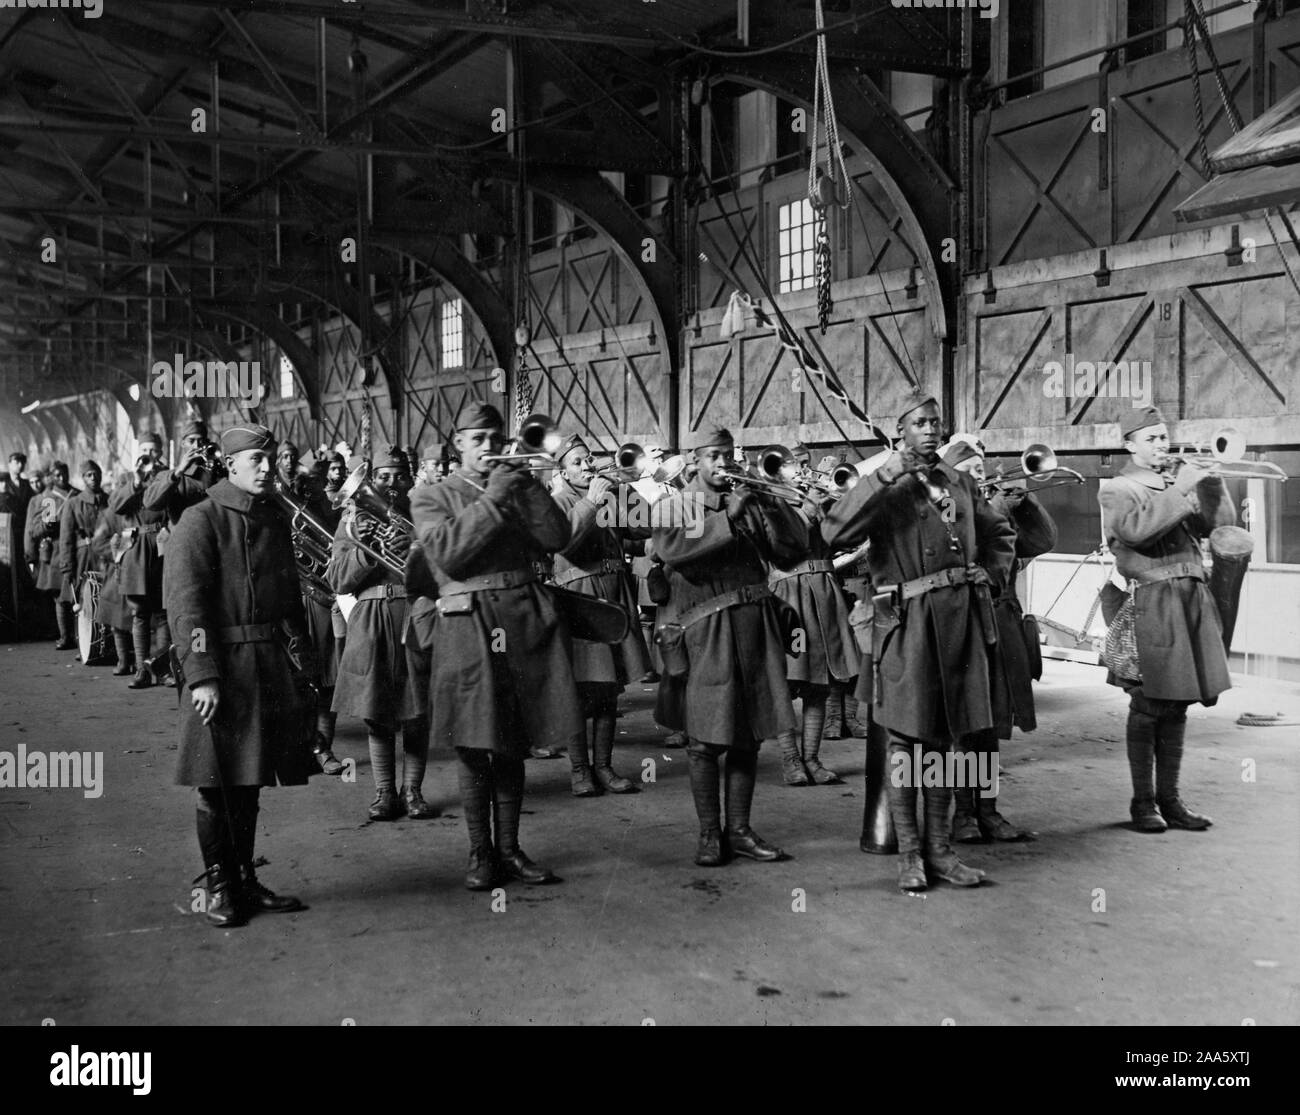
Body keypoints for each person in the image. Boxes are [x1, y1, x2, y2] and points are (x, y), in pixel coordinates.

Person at [823, 395, 1015, 892]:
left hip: (961, 625)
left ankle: (942, 853)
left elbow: (1000, 534)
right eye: (918, 423)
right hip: (907, 625)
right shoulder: (887, 487)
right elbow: (834, 530)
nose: (929, 430)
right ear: (901, 431)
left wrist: (990, 572)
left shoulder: (961, 482)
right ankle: (910, 855)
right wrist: (884, 476)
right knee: (906, 742)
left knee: (947, 743)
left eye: (935, 423)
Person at [409, 401, 582, 890]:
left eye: (494, 438)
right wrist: (493, 500)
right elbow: (447, 554)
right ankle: (480, 854)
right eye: (477, 439)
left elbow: (558, 536)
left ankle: (510, 849)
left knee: (512, 741)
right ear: (458, 442)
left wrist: (524, 488)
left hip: (521, 623)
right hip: (467, 625)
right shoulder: (431, 495)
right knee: (473, 741)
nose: (488, 447)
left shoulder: (516, 484)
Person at [165, 423, 317, 928]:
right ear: (230, 464)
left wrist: (304, 661)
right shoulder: (199, 519)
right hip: (223, 668)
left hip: (267, 664)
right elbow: (186, 607)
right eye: (256, 460)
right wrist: (202, 674)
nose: (268, 468)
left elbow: (291, 598)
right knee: (215, 783)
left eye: (270, 459)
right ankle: (219, 885)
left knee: (248, 780)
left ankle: (244, 879)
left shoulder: (272, 516)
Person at [651, 426, 808, 867]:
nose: (723, 464)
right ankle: (708, 835)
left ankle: (738, 830)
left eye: (728, 455)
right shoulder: (675, 505)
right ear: (695, 460)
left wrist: (774, 504)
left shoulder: (748, 498)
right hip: (705, 633)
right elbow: (673, 549)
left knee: (749, 735)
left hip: (755, 628)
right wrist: (728, 518)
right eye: (713, 457)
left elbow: (791, 554)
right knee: (704, 738)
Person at [1099, 406, 1233, 834]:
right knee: (1149, 703)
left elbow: (1220, 528)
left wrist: (1212, 484)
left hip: (1191, 600)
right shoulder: (1118, 488)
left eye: (1164, 437)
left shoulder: (1174, 483)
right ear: (1130, 444)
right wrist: (1182, 488)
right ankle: (1143, 803)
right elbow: (1138, 532)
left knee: (1177, 704)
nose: (1162, 445)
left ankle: (1171, 801)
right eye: (1152, 438)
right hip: (1153, 602)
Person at [942, 436, 1055, 843]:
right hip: (966, 624)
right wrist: (998, 511)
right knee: (964, 728)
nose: (981, 476)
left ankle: (988, 811)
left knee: (990, 726)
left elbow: (1043, 542)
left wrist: (1026, 504)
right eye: (971, 470)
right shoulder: (946, 511)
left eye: (981, 469)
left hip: (1001, 626)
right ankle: (963, 814)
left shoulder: (992, 509)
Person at [328, 448, 432, 818]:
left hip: (415, 614)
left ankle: (413, 792)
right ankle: (384, 792)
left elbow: (446, 570)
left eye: (398, 476)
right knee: (377, 710)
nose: (390, 484)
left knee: (417, 709)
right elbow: (338, 579)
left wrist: (417, 549)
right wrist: (366, 552)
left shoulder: (425, 512)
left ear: (410, 478)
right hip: (371, 617)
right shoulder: (353, 519)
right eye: (383, 477)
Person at [550, 435, 650, 796]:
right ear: (562, 470)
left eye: (589, 458)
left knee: (609, 689)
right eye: (577, 461)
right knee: (578, 688)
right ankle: (580, 770)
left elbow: (646, 527)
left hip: (613, 595)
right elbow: (563, 542)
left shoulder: (609, 496)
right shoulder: (558, 501)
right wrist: (592, 500)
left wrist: (623, 492)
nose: (587, 465)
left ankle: (605, 767)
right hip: (580, 600)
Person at [768, 457, 861, 787]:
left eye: (808, 468)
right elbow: (779, 545)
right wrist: (807, 510)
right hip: (790, 597)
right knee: (785, 680)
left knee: (819, 683)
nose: (806, 473)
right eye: (798, 467)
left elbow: (844, 539)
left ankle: (812, 758)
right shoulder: (774, 501)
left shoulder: (822, 499)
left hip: (824, 595)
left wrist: (837, 505)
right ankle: (791, 759)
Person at [110, 435, 172, 688]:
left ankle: (164, 669)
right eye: (144, 450)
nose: (149, 454)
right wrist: (136, 480)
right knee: (140, 613)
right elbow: (117, 507)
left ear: (160, 452)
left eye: (153, 450)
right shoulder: (127, 479)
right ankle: (141, 670)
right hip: (135, 551)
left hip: (162, 548)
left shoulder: (167, 476)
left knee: (164, 613)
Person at [57, 461, 108, 652]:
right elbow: (66, 538)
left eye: (96, 474)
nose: (93, 478)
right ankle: (84, 645)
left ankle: (104, 643)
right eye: (88, 475)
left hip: (104, 557)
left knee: (104, 598)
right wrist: (67, 566)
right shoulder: (73, 504)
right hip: (82, 557)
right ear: (83, 478)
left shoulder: (109, 501)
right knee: (82, 600)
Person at [25, 461, 74, 648]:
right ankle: (65, 636)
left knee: (77, 594)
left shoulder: (75, 495)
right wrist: (47, 525)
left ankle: (79, 637)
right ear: (52, 477)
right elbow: (34, 530)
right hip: (55, 551)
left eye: (64, 474)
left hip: (75, 548)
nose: (62, 478)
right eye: (57, 475)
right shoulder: (49, 499)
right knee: (60, 596)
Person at [144, 419, 223, 526]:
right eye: (191, 441)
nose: (196, 446)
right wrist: (179, 471)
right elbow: (150, 503)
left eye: (201, 441)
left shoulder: (216, 471)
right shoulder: (169, 475)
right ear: (182, 444)